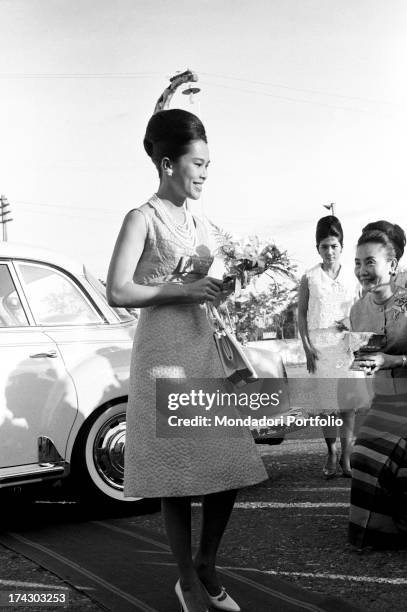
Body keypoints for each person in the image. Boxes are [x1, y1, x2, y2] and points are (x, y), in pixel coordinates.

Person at [106, 108, 268, 612]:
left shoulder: (200, 222)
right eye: (196, 163)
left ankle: (206, 561)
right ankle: (188, 584)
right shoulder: (142, 217)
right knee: (174, 475)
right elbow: (117, 289)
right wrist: (183, 289)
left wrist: (227, 284)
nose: (203, 173)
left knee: (230, 463)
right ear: (167, 162)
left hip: (200, 346)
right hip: (161, 351)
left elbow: (203, 289)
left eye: (207, 164)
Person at [349, 222, 407, 549]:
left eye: (370, 262)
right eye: (358, 263)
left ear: (392, 265)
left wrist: (393, 361)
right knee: (362, 456)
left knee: (392, 464)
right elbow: (363, 359)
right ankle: (386, 529)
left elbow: (388, 359)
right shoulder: (358, 310)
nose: (362, 270)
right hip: (384, 401)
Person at [298, 216, 361, 478]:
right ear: (318, 248)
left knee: (347, 407)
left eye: (334, 246)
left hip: (346, 347)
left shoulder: (353, 275)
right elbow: (301, 315)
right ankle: (331, 450)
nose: (330, 251)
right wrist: (307, 349)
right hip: (320, 348)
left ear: (342, 247)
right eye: (324, 246)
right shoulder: (309, 277)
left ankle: (346, 458)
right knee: (328, 408)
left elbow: (360, 310)